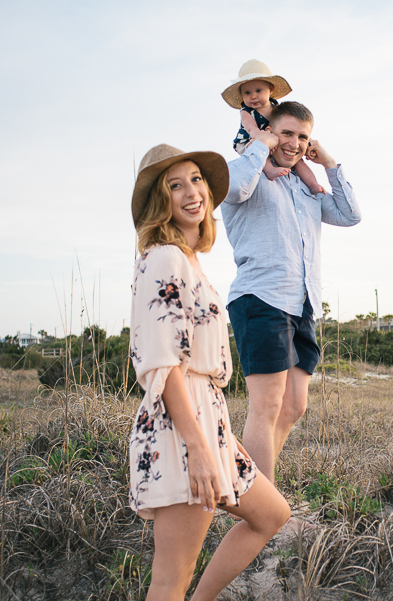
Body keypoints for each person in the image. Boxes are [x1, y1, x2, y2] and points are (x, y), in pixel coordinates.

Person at [128, 143, 290, 601]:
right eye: (174, 185)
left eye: (196, 179)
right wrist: (198, 446)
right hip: (181, 427)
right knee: (171, 578)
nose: (191, 192)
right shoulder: (164, 258)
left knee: (271, 514)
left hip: (207, 421)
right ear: (161, 201)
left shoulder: (190, 259)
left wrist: (219, 434)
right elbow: (163, 365)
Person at [221, 101, 361, 487]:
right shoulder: (244, 169)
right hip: (260, 299)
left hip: (301, 305)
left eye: (302, 136)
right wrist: (259, 145)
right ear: (268, 130)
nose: (294, 143)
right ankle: (261, 508)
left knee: (294, 407)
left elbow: (350, 214)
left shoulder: (306, 186)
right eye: (286, 133)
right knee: (265, 408)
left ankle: (250, 489)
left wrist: (328, 162)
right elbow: (234, 189)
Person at [221, 59, 325, 195]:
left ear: (270, 90)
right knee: (263, 156)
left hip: (271, 140)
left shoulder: (277, 108)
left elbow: (289, 126)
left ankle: (313, 184)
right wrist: (262, 142)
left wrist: (304, 144)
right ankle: (269, 170)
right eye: (247, 93)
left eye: (258, 90)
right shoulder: (246, 112)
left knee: (299, 162)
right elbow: (251, 128)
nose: (253, 96)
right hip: (249, 140)